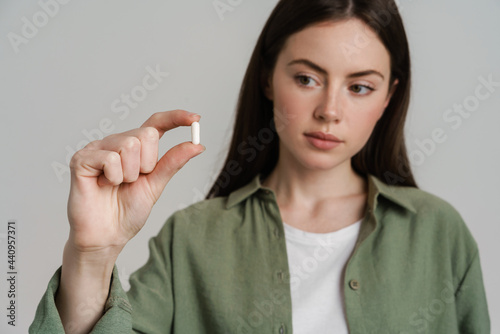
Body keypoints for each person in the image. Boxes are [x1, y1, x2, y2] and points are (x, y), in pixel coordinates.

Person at [30, 0, 490, 333]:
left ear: (389, 96)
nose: (329, 110)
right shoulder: (192, 239)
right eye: (307, 78)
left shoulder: (439, 233)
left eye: (360, 87)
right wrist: (91, 255)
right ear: (269, 78)